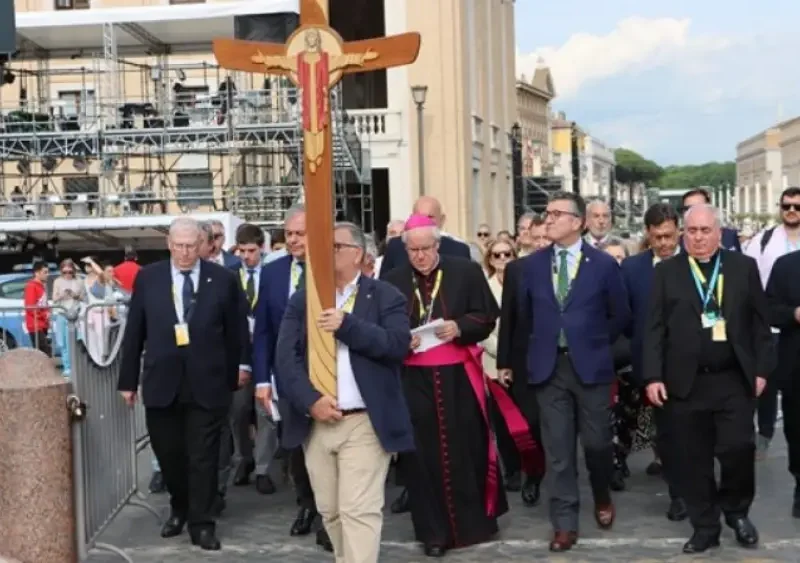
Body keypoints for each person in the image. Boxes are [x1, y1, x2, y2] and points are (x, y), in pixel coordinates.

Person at [384, 215, 529, 557]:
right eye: (413, 250)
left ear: (437, 245)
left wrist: (459, 326)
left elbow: (486, 315)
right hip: (414, 380)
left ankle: (474, 525)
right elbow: (384, 327)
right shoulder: (392, 280)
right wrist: (401, 340)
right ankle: (432, 532)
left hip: (458, 379)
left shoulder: (464, 271)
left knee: (467, 447)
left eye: (425, 249)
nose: (419, 256)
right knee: (422, 455)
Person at [275, 222, 415, 563]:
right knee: (332, 512)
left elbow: (397, 345)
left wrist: (347, 325)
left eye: (336, 247)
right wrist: (311, 401)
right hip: (318, 422)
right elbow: (285, 357)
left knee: (359, 511)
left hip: (365, 421)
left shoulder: (385, 296)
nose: (328, 253)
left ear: (358, 255)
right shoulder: (303, 299)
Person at [643, 204, 772, 554]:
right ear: (684, 234)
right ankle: (705, 526)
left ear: (719, 232)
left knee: (737, 450)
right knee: (692, 458)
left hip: (733, 380)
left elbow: (761, 325)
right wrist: (653, 375)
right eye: (692, 231)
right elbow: (653, 328)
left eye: (705, 230)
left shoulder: (742, 268)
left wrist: (761, 371)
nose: (698, 238)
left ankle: (737, 511)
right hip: (685, 384)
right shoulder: (666, 272)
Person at [118, 217, 246, 551]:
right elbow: (135, 331)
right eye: (179, 245)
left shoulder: (222, 280)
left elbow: (236, 332)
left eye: (191, 245)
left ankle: (202, 523)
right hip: (163, 381)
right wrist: (127, 380)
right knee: (170, 455)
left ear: (203, 245)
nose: (185, 252)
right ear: (169, 244)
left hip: (208, 381)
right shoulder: (149, 278)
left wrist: (238, 371)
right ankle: (180, 507)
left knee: (203, 457)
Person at [520, 191, 630, 552]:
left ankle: (601, 494)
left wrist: (595, 341)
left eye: (556, 214)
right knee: (559, 451)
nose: (547, 219)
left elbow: (621, 315)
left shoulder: (602, 265)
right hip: (549, 369)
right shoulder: (532, 266)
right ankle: (564, 523)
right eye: (546, 213)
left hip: (592, 367)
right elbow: (524, 317)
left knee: (597, 444)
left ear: (578, 222)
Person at [251, 205, 332, 551]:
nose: (294, 240)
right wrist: (262, 380)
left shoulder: (330, 270)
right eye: (289, 234)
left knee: (329, 445)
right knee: (297, 445)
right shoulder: (271, 273)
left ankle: (332, 518)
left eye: (301, 233)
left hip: (328, 373)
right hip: (287, 377)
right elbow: (263, 332)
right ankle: (307, 505)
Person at [620, 203, 685, 520]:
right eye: (658, 237)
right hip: (652, 365)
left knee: (693, 432)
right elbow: (624, 316)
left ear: (678, 232)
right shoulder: (632, 270)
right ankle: (679, 494)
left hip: (692, 365)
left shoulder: (693, 263)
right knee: (667, 433)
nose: (664, 243)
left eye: (669, 236)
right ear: (648, 234)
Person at [745, 186, 800, 458]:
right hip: (773, 325)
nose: (791, 211)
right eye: (786, 206)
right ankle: (764, 432)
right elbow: (748, 276)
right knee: (768, 382)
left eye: (797, 207)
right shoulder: (764, 240)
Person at [217, 224, 263, 510]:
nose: (247, 256)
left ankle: (263, 468)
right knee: (238, 412)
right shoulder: (229, 277)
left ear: (262, 248)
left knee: (265, 413)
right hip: (241, 354)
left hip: (266, 350)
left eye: (252, 251)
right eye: (242, 251)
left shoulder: (270, 275)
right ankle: (243, 459)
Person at [765, 246, 800, 518]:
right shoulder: (786, 265)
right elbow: (769, 309)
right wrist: (794, 315)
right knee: (796, 432)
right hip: (794, 367)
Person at [379, 196, 471, 276]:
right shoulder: (396, 247)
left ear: (442, 220)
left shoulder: (459, 250)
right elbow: (384, 287)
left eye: (430, 217)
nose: (425, 222)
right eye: (420, 217)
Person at [52, 259, 85, 376]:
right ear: (61, 271)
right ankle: (67, 367)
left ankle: (76, 366)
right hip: (62, 313)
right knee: (63, 342)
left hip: (75, 314)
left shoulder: (79, 281)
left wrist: (74, 295)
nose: (67, 275)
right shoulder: (57, 281)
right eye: (65, 272)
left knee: (74, 341)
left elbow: (83, 298)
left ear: (73, 271)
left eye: (70, 272)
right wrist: (62, 295)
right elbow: (54, 298)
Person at [24, 260, 51, 356]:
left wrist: (47, 315)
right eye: (45, 272)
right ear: (37, 273)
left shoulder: (41, 286)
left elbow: (42, 303)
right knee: (43, 353)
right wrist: (44, 315)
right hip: (35, 325)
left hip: (42, 324)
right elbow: (31, 307)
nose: (47, 275)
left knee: (45, 352)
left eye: (48, 272)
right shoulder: (31, 286)